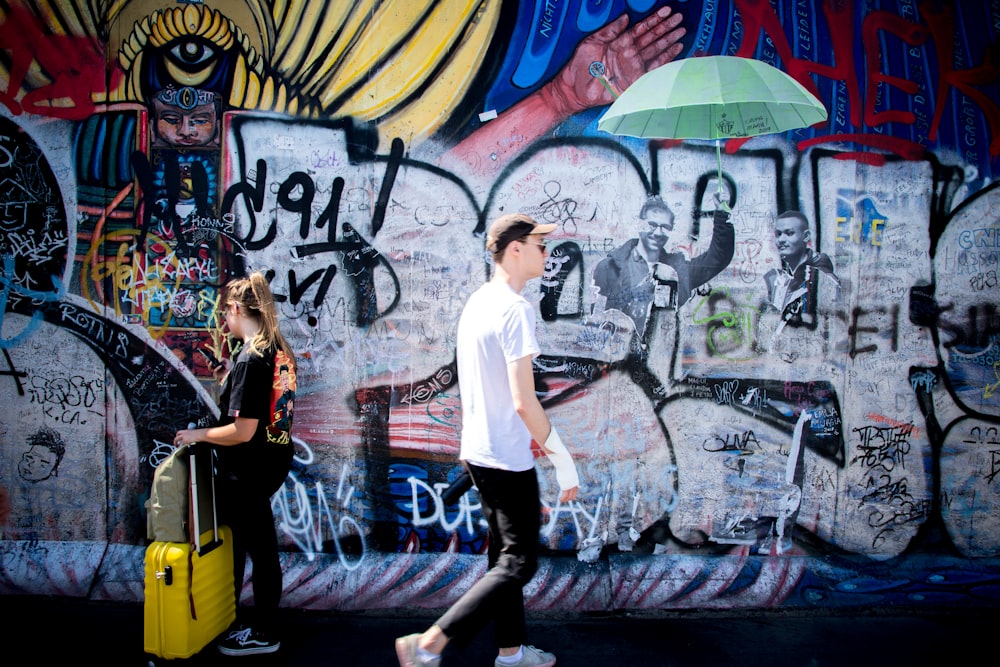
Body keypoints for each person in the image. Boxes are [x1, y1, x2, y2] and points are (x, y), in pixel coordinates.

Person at [395, 213, 581, 667]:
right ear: (515, 249)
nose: (546, 252)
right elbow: (524, 401)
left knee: (503, 558)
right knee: (519, 562)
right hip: (506, 456)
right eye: (539, 244)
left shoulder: (479, 301)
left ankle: (511, 653)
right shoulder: (515, 309)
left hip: (480, 452)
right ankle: (428, 644)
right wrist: (563, 460)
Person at [173, 272, 297, 656]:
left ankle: (263, 632)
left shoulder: (250, 358)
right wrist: (230, 379)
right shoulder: (276, 349)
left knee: (258, 548)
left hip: (249, 467)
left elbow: (242, 430)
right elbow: (268, 409)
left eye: (226, 310)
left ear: (239, 308)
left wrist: (196, 436)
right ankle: (257, 624)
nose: (224, 318)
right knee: (257, 545)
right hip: (273, 460)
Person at [593, 194, 734, 336]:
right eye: (652, 225)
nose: (658, 232)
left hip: (661, 353)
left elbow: (717, 258)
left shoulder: (678, 272)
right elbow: (594, 318)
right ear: (639, 224)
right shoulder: (609, 267)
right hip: (617, 353)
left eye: (665, 227)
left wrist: (722, 216)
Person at [763, 211, 841, 329]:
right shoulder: (778, 278)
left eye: (789, 233)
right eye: (778, 234)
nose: (781, 239)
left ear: (806, 236)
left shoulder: (820, 275)